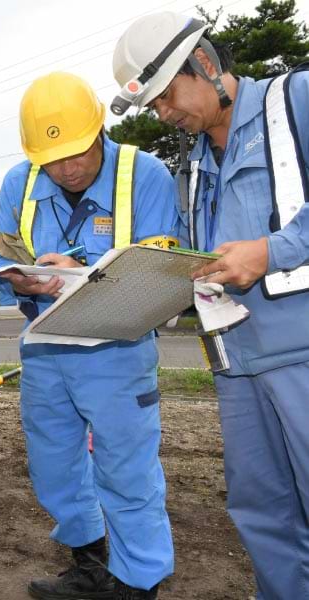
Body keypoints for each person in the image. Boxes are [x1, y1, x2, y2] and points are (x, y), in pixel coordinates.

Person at [112, 12, 309, 599]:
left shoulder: (293, 101)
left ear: (203, 64)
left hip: (301, 359)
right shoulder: (193, 165)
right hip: (236, 368)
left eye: (167, 95)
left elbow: (266, 247)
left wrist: (272, 251)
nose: (164, 113)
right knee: (262, 514)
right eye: (153, 106)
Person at [0, 72, 179, 600]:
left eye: (78, 153)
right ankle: (90, 566)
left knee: (127, 473)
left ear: (100, 132)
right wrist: (17, 278)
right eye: (54, 159)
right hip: (45, 349)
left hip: (116, 351)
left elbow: (163, 272)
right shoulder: (18, 184)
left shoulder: (146, 175)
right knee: (55, 468)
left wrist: (81, 270)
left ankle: (139, 584)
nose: (67, 168)